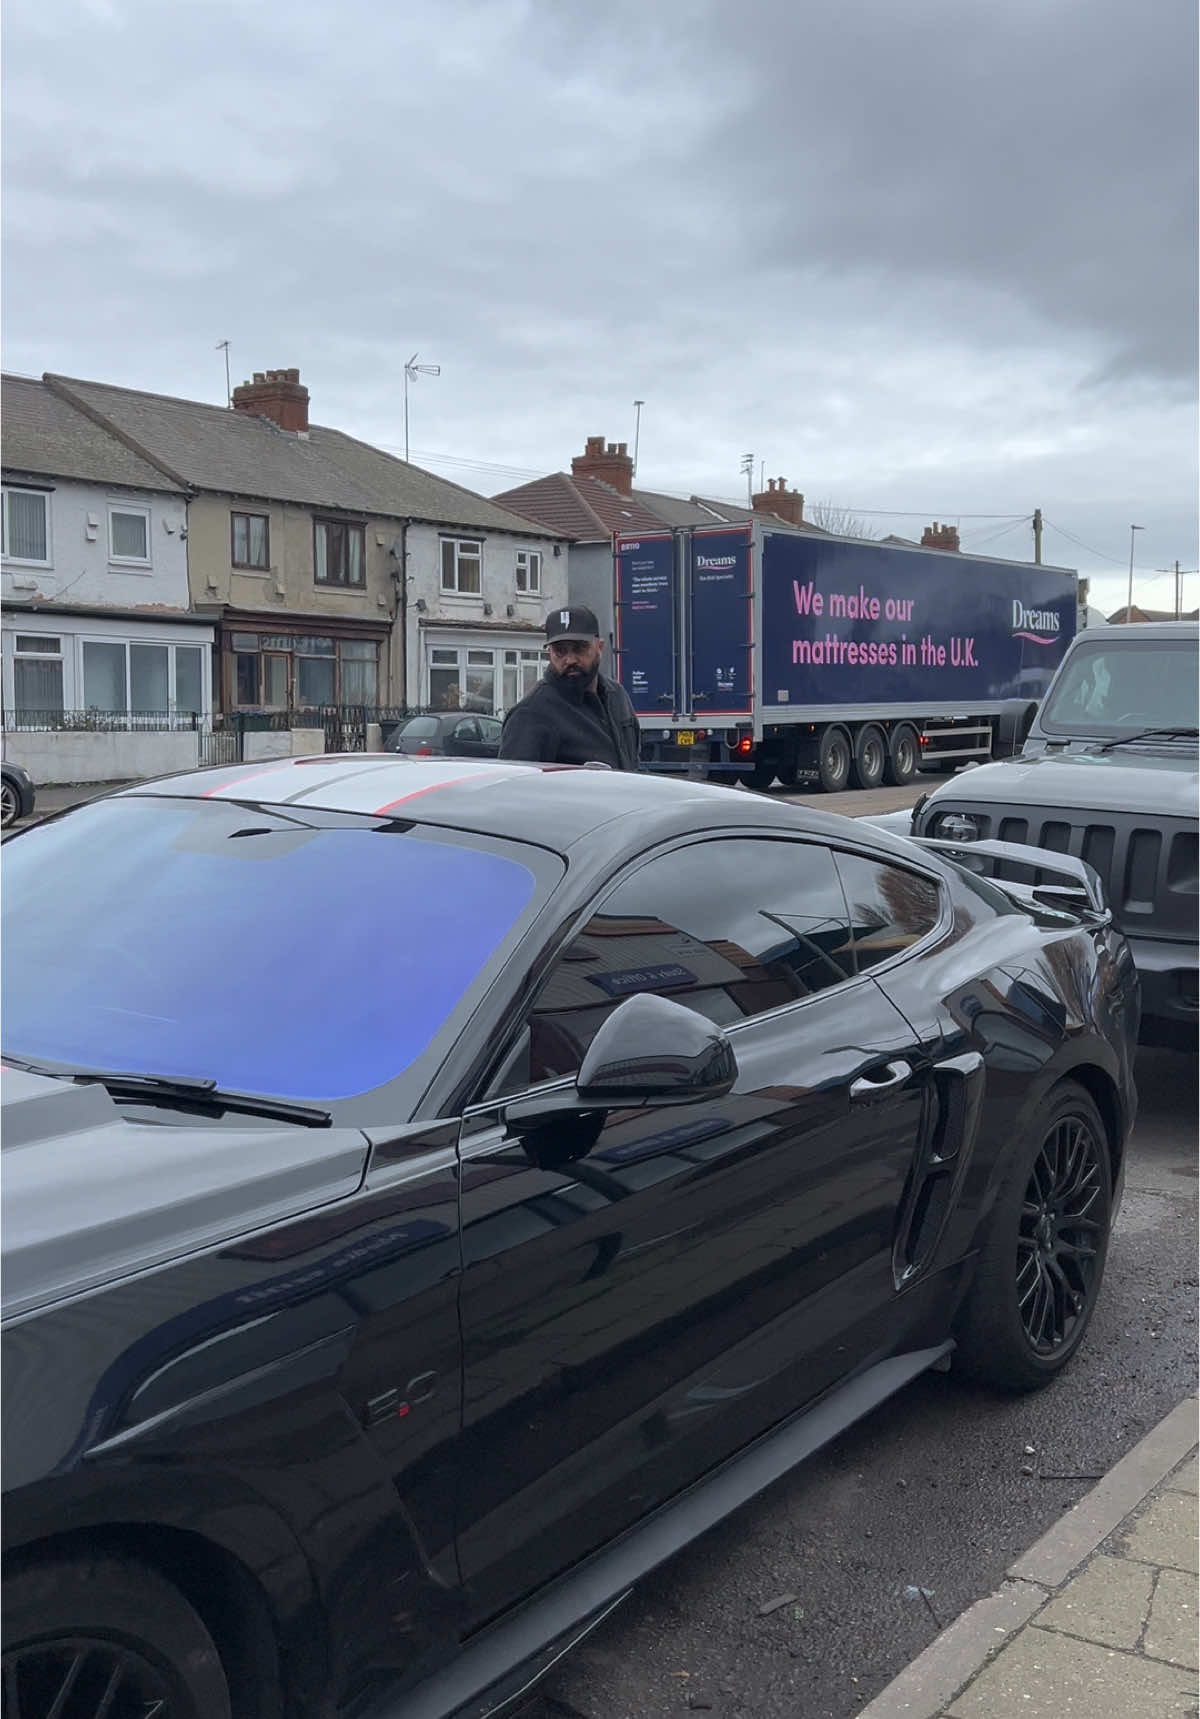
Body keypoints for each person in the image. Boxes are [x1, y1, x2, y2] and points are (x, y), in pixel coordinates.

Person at [500, 606, 642, 769]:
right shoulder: (532, 712)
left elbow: (634, 762)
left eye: (579, 648)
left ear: (600, 647)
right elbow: (515, 788)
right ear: (550, 653)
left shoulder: (617, 696)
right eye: (560, 651)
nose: (570, 660)